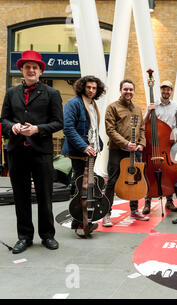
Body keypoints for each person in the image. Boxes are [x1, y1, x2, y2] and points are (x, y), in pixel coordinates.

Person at [1, 50, 63, 253]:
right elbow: (3, 120)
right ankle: (24, 237)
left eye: (34, 67)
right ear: (21, 70)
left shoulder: (52, 94)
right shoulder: (11, 93)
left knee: (45, 196)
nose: (31, 70)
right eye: (27, 67)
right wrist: (13, 127)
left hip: (41, 152)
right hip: (17, 152)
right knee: (21, 196)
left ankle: (47, 235)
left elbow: (58, 123)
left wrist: (37, 129)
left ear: (40, 72)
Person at [61, 75, 105, 233]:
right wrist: (84, 147)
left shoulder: (93, 104)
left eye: (94, 88)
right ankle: (78, 219)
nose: (91, 90)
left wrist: (99, 144)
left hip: (91, 152)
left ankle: (82, 219)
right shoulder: (74, 103)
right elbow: (68, 128)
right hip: (79, 152)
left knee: (86, 186)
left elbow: (93, 129)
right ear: (82, 87)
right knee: (80, 185)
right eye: (88, 87)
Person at [103, 79, 148, 226]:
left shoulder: (137, 109)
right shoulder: (112, 108)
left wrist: (141, 143)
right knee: (112, 181)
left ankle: (134, 211)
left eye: (131, 89)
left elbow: (142, 128)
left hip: (135, 151)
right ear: (120, 90)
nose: (128, 92)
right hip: (117, 150)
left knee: (135, 178)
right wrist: (126, 143)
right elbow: (110, 130)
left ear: (133, 91)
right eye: (125, 89)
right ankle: (106, 213)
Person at [141, 80, 177, 215]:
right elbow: (144, 124)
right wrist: (148, 112)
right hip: (153, 144)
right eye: (163, 89)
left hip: (168, 144)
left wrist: (176, 136)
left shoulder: (176, 106)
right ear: (160, 90)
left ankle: (169, 200)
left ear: (171, 91)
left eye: (168, 89)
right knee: (148, 170)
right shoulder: (153, 105)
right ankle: (147, 201)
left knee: (169, 171)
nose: (165, 92)